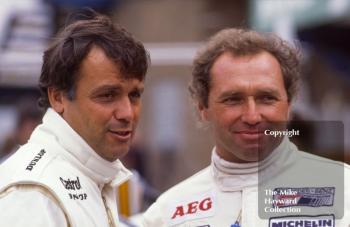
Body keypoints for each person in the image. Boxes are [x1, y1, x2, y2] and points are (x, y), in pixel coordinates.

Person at [143, 28, 350, 226]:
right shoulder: (167, 214)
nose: (252, 116)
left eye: (267, 98)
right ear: (202, 108)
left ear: (289, 105)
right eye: (233, 99)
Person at [0, 9, 149, 227]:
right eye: (107, 95)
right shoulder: (35, 193)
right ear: (58, 97)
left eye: (134, 95)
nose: (127, 113)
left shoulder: (91, 173)